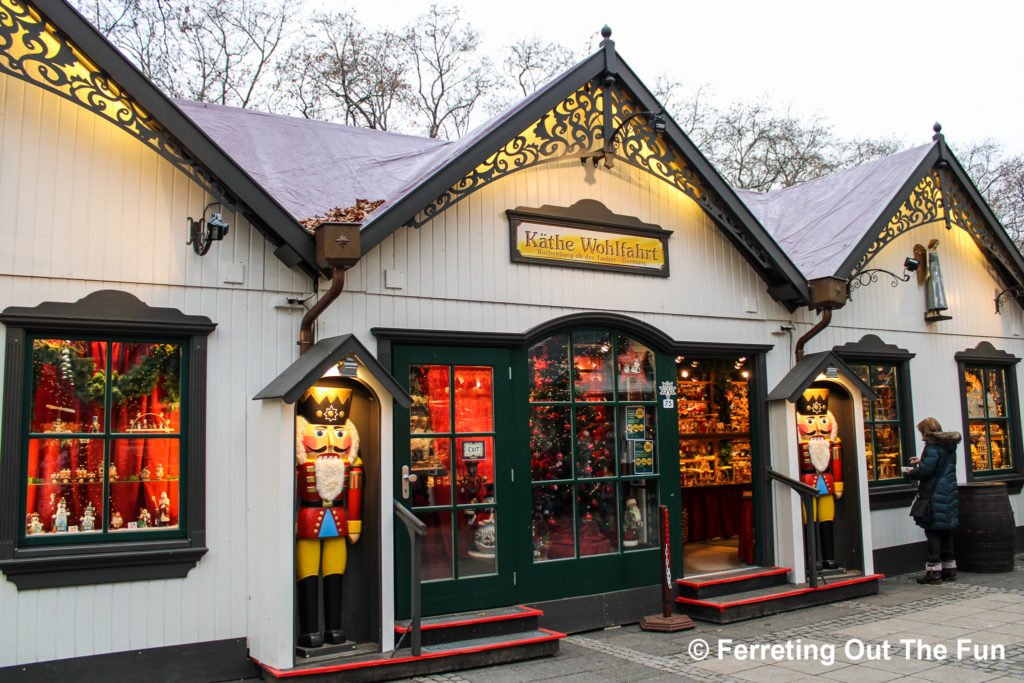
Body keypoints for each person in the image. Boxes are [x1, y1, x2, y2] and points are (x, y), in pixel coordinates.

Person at [295, 379, 362, 648]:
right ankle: (309, 630)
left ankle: (334, 627)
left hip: (339, 521)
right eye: (321, 432)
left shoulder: (352, 465)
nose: (331, 440)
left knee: (335, 574)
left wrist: (355, 525)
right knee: (308, 575)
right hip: (307, 521)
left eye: (337, 432)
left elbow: (355, 495)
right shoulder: (300, 464)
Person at [903, 417, 961, 584]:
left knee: (933, 531)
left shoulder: (931, 447)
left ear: (925, 431)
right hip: (948, 493)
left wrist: (912, 472)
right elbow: (941, 463)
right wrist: (922, 460)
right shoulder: (948, 445)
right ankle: (950, 569)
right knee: (946, 531)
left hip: (934, 494)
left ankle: (934, 572)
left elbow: (926, 472)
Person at [795, 387, 843, 569]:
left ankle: (829, 557)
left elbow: (837, 464)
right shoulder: (801, 445)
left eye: (823, 420)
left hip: (827, 484)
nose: (817, 427)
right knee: (810, 519)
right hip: (807, 482)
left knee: (826, 519)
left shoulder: (833, 444)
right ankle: (812, 558)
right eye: (810, 421)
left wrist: (839, 485)